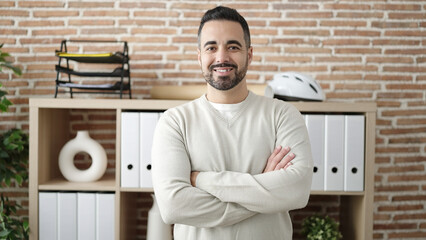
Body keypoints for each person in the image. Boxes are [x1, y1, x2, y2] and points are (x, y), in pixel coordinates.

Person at [152, 6, 313, 240]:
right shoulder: (175, 122)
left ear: (249, 54)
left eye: (233, 47)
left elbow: (296, 192)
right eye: (211, 47)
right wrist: (263, 192)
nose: (221, 57)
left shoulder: (284, 116)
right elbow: (173, 206)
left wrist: (201, 179)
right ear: (199, 56)